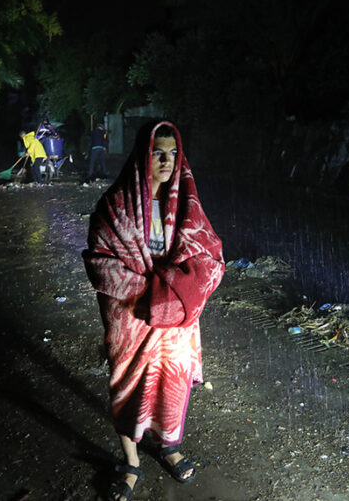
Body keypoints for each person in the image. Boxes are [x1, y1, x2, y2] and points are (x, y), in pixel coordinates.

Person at [82, 121, 224, 501]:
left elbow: (210, 254)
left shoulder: (186, 207)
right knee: (129, 387)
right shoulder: (116, 207)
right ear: (142, 156)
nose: (166, 160)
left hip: (175, 320)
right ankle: (131, 462)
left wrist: (178, 293)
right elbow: (101, 261)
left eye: (173, 153)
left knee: (172, 384)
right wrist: (151, 294)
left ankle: (167, 445)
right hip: (135, 317)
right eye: (157, 153)